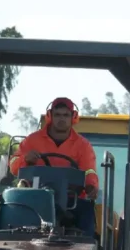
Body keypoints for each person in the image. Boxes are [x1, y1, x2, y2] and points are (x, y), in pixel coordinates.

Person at [8, 97, 99, 234]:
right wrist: (25, 160)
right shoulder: (32, 140)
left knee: (87, 212)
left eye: (65, 115)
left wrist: (91, 185)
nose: (61, 119)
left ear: (73, 117)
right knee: (11, 209)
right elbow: (14, 166)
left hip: (71, 201)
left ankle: (85, 246)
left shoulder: (83, 146)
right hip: (34, 198)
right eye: (57, 115)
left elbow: (89, 170)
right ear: (50, 116)